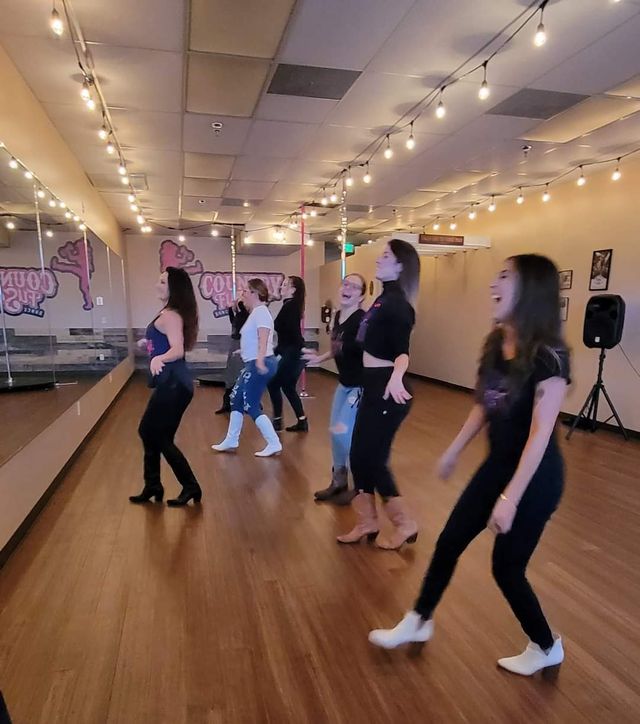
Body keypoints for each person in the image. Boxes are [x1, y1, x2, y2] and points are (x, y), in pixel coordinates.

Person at [368, 254, 570, 677]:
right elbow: (485, 405)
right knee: (449, 542)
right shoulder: (497, 343)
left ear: (530, 290)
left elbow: (539, 434)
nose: (493, 284)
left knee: (506, 567)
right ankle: (419, 620)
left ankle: (546, 645)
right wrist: (454, 450)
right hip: (497, 464)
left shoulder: (550, 356)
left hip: (537, 477)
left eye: (504, 277)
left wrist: (511, 499)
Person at [337, 239, 420, 549]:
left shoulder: (399, 304)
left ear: (400, 266)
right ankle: (366, 522)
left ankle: (405, 524)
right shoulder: (381, 300)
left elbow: (402, 352)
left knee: (375, 460)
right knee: (359, 457)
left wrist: (397, 377)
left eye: (386, 256)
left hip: (388, 388)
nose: (378, 259)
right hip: (372, 386)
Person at [129, 267, 202, 507]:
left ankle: (190, 486)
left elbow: (177, 349)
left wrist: (159, 358)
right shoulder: (168, 312)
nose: (157, 285)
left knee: (155, 435)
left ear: (173, 288)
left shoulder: (171, 315)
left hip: (174, 385)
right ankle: (153, 485)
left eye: (162, 282)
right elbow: (163, 343)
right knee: (153, 434)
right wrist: (148, 344)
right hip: (172, 384)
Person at [303, 273, 367, 505]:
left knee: (343, 433)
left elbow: (370, 354)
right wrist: (319, 359)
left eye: (354, 286)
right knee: (334, 432)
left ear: (361, 295)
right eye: (345, 283)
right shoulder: (339, 316)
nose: (347, 288)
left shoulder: (363, 320)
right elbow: (338, 349)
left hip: (360, 386)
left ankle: (362, 485)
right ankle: (339, 482)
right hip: (344, 383)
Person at [211, 279, 282, 457]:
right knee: (236, 399)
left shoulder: (261, 312)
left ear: (254, 293)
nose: (242, 296)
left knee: (251, 403)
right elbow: (255, 339)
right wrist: (243, 350)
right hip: (255, 361)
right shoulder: (256, 312)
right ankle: (231, 439)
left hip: (261, 362)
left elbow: (264, 337)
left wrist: (259, 361)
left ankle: (274, 442)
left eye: (245, 292)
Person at [268, 275, 308, 432]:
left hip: (294, 352)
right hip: (291, 351)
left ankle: (277, 421)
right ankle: (302, 421)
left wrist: (301, 350)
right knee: (288, 387)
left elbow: (293, 334)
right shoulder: (290, 305)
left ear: (293, 290)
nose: (281, 287)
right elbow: (287, 336)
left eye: (285, 285)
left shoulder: (290, 306)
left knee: (274, 383)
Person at [215, 300, 249, 414]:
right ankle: (227, 403)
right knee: (230, 375)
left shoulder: (246, 315)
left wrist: (237, 304)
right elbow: (233, 321)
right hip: (234, 343)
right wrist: (230, 309)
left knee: (240, 374)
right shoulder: (239, 316)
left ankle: (247, 403)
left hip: (241, 343)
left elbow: (242, 316)